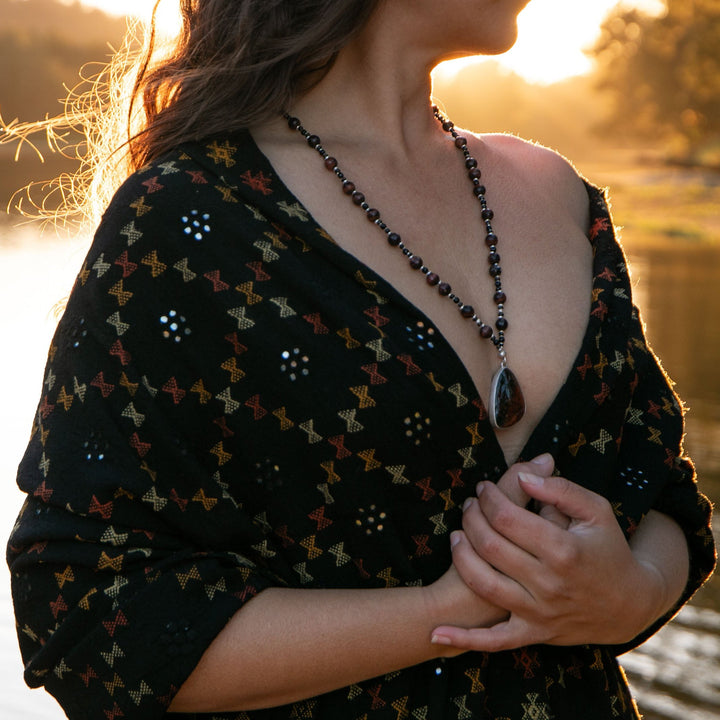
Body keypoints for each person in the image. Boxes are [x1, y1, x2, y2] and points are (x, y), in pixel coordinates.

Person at [6, 0, 715, 718]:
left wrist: (630, 592)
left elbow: (663, 497)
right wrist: (446, 612)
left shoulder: (557, 194)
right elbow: (90, 614)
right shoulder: (190, 221)